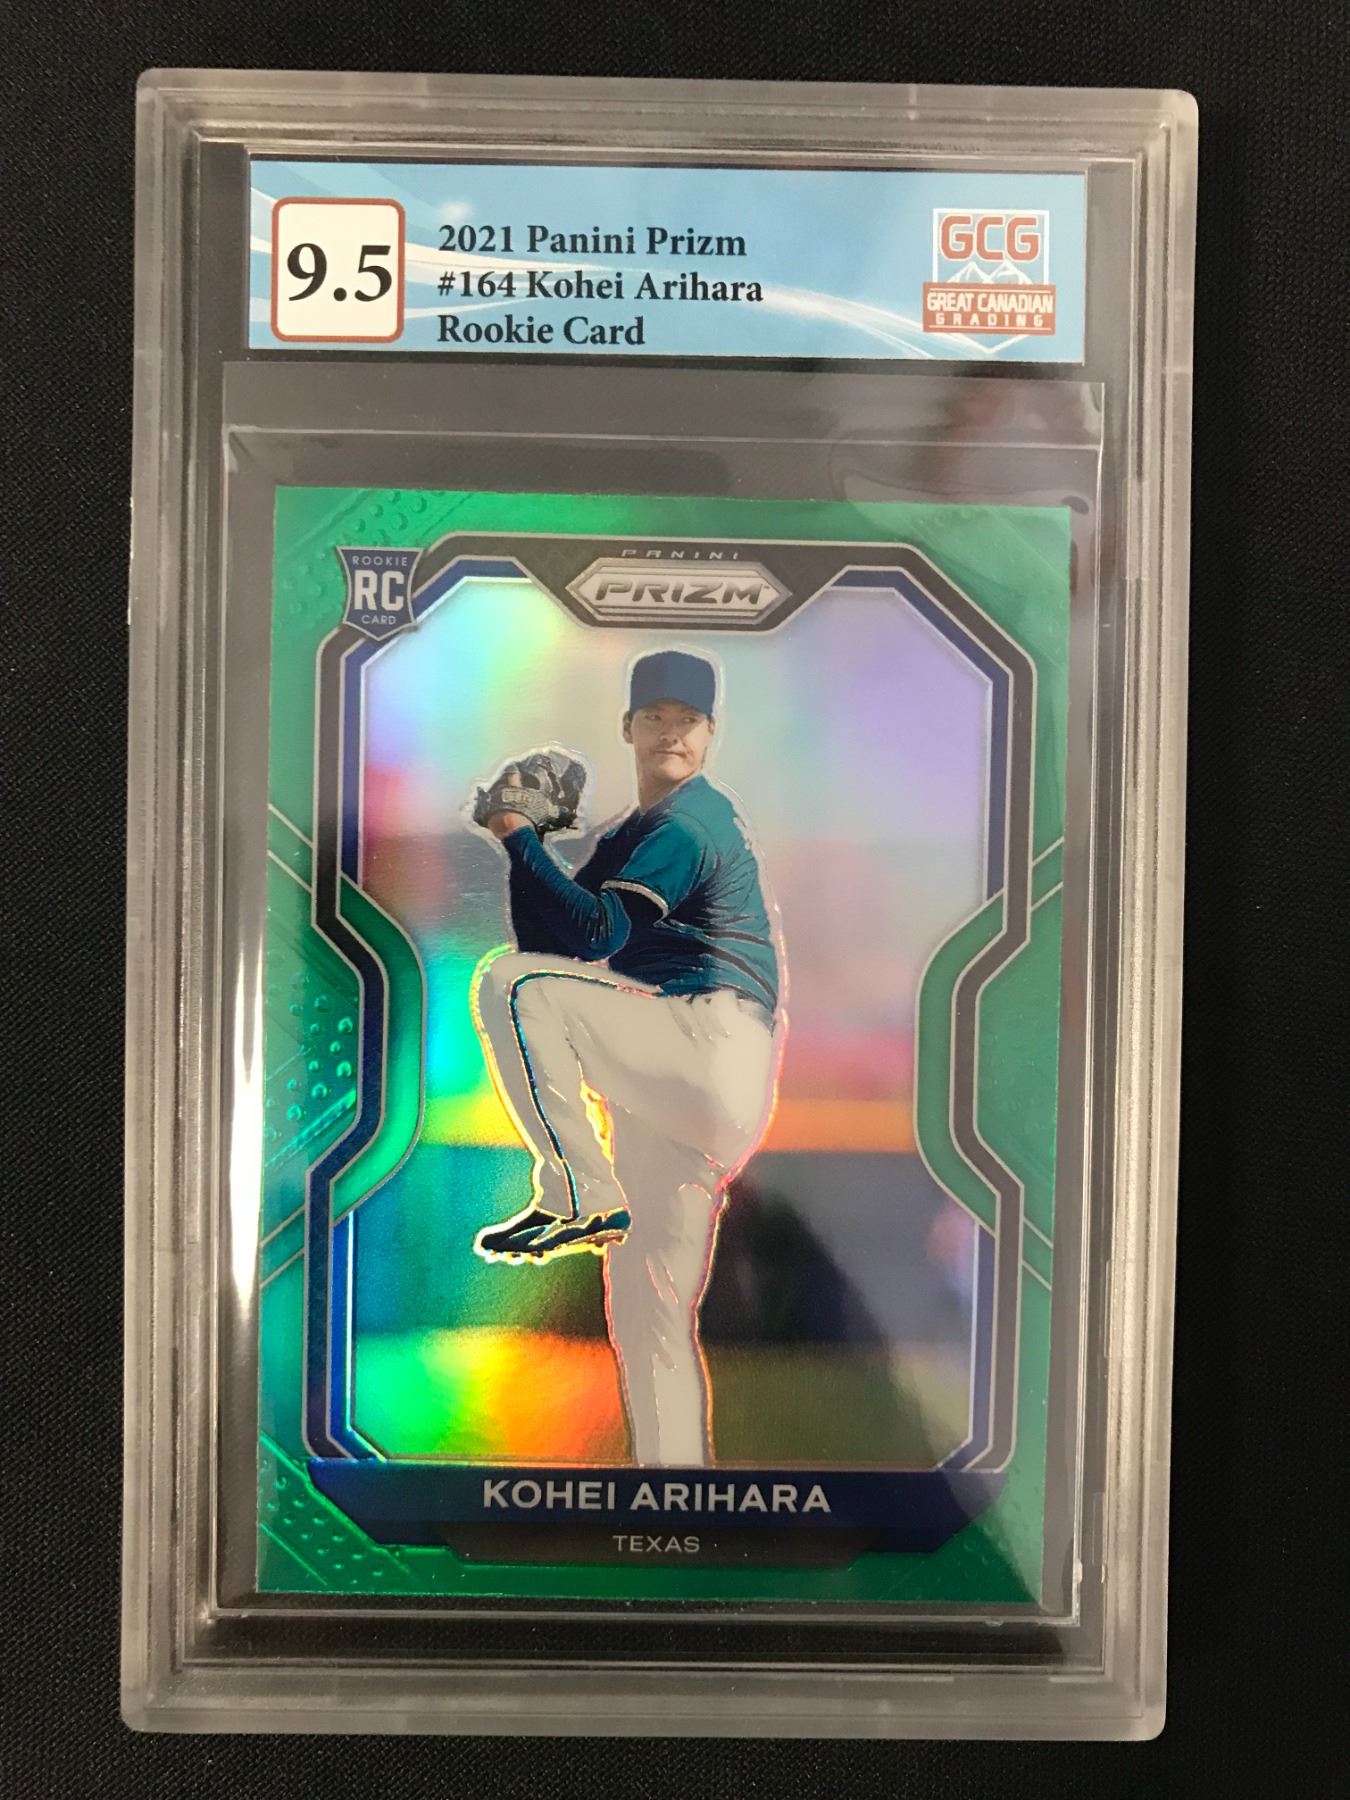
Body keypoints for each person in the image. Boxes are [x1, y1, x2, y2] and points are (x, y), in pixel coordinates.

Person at [470, 648, 783, 1466]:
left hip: (708, 1042)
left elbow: (593, 937)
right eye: (656, 717)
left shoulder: (689, 823)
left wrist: (517, 835)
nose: (671, 732)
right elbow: (551, 938)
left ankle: (575, 1188)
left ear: (710, 734)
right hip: (677, 1084)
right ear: (629, 728)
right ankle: (675, 1489)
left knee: (508, 982)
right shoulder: (634, 834)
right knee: (648, 1311)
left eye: (688, 720)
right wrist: (528, 842)